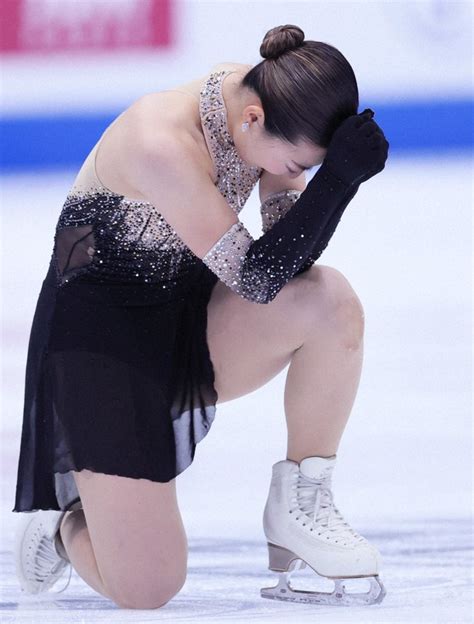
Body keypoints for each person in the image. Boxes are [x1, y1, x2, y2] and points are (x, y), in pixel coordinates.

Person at [12, 24, 389, 609]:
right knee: (148, 588)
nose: (296, 172)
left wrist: (327, 182)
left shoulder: (273, 102)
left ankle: (299, 499)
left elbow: (288, 258)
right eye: (294, 162)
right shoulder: (159, 140)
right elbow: (257, 276)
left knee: (328, 302)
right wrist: (339, 183)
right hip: (99, 349)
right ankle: (64, 524)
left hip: (187, 317)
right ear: (254, 119)